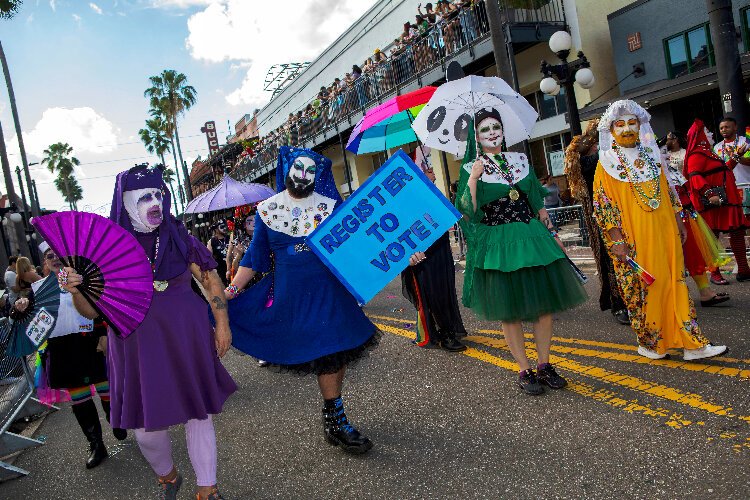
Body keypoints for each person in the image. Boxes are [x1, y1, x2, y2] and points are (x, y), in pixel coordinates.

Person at [63, 165, 236, 500]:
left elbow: (211, 280)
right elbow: (92, 310)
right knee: (146, 433)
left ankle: (208, 488)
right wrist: (76, 291)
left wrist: (223, 324)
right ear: (125, 202)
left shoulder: (179, 236)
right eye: (144, 197)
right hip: (136, 346)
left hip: (187, 336)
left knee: (198, 414)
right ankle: (168, 477)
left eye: (158, 194)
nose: (154, 202)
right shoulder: (106, 252)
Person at [225, 147, 378, 454]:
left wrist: (405, 256)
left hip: (329, 293)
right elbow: (255, 258)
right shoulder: (268, 210)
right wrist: (230, 292)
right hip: (293, 298)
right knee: (322, 353)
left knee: (333, 353)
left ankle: (336, 420)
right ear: (287, 170)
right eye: (299, 168)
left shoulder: (330, 206)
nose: (303, 175)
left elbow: (359, 245)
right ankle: (334, 419)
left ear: (317, 175)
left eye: (310, 170)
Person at [456, 107, 588, 395]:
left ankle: (544, 365)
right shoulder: (471, 167)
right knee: (510, 311)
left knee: (545, 308)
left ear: (503, 130)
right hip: (499, 244)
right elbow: (468, 211)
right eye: (485, 129)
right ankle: (523, 368)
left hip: (533, 237)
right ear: (476, 137)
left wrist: (553, 233)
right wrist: (473, 178)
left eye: (495, 127)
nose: (492, 132)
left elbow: (537, 203)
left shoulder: (520, 161)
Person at [592, 100, 727, 361]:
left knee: (676, 282)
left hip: (666, 229)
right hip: (635, 234)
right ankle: (654, 343)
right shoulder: (606, 162)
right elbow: (604, 205)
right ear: (611, 131)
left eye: (632, 123)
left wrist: (678, 222)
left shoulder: (652, 154)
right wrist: (617, 240)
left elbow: (668, 192)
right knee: (651, 285)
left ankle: (691, 343)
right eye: (620, 125)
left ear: (640, 126)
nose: (627, 129)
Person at [12, 243, 123, 470]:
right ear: (44, 263)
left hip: (92, 345)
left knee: (107, 392)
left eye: (58, 254)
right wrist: (19, 308)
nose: (55, 258)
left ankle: (118, 421)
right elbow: (19, 317)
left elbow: (101, 308)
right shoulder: (38, 289)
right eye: (49, 255)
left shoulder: (84, 280)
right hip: (62, 351)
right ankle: (96, 446)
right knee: (80, 401)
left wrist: (103, 333)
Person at [564, 121, 630, 325]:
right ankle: (619, 303)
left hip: (625, 212)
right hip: (602, 217)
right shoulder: (590, 161)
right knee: (611, 259)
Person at [402, 164, 467, 352]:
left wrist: (430, 185)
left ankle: (447, 329)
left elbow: (442, 215)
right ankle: (443, 333)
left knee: (444, 290)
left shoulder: (430, 192)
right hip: (421, 252)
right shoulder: (406, 197)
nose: (431, 172)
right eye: (426, 171)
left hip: (440, 247)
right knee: (431, 292)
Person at [663, 131, 730, 306]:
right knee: (669, 259)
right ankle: (675, 298)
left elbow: (684, 184)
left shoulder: (667, 166)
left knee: (694, 253)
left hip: (684, 213)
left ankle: (705, 292)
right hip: (663, 217)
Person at [685, 118, 750, 284]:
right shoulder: (696, 154)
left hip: (727, 200)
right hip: (713, 203)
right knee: (711, 239)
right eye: (707, 132)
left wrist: (737, 156)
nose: (711, 133)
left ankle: (743, 270)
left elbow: (724, 169)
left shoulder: (710, 153)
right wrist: (709, 193)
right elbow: (695, 177)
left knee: (736, 233)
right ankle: (715, 274)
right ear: (700, 136)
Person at [207, 221, 230, 286]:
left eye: (225, 226)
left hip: (233, 265)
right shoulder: (211, 241)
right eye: (222, 227)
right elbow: (209, 256)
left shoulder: (230, 237)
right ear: (216, 229)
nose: (224, 228)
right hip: (221, 269)